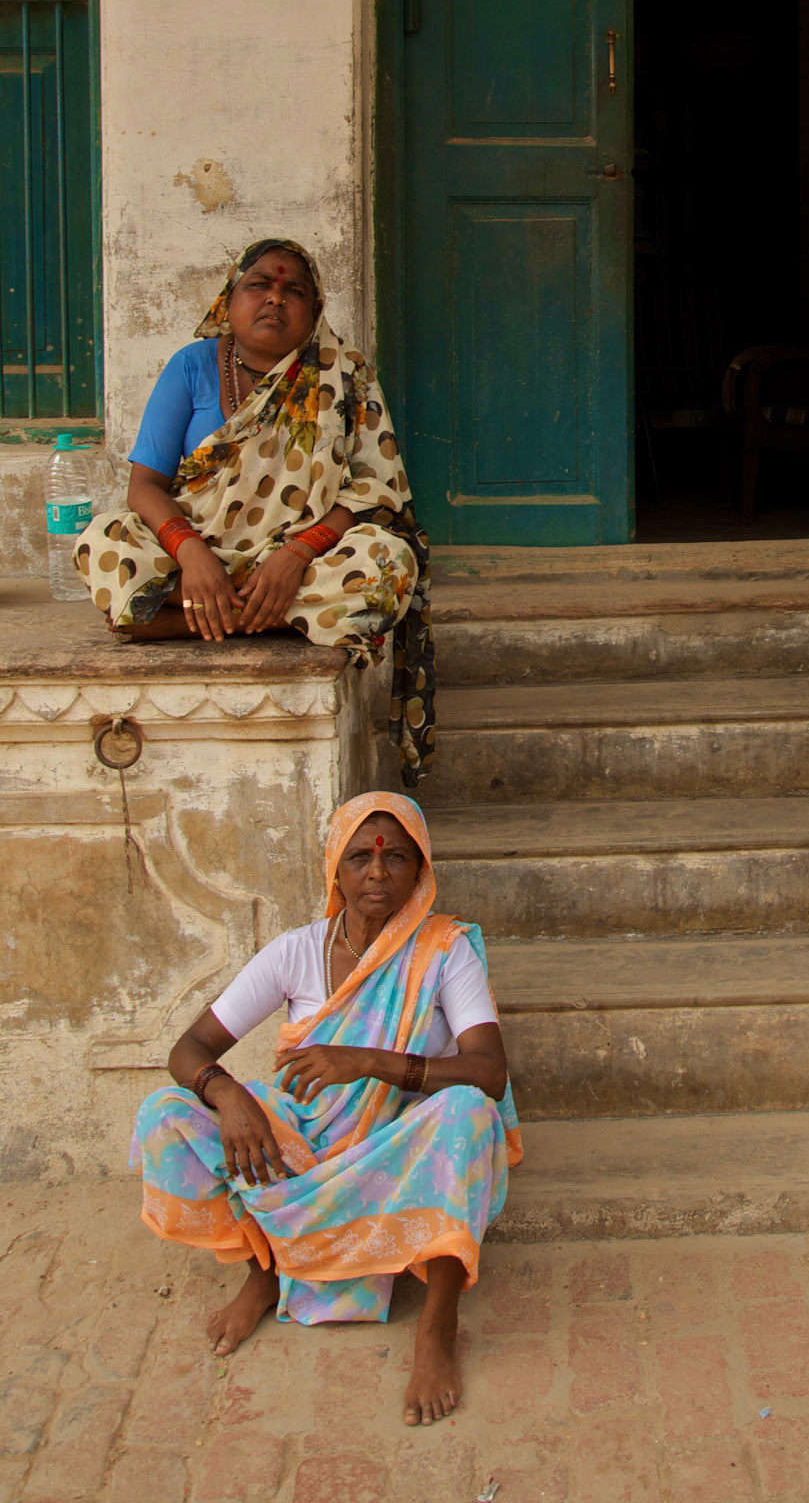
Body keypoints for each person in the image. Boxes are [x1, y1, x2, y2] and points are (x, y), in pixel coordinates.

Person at [130, 792, 520, 1425]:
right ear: (335, 869)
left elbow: (489, 1073)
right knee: (165, 1114)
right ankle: (266, 1269)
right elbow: (190, 1049)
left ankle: (437, 1327)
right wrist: (229, 1096)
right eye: (360, 857)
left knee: (468, 1115)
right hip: (302, 1144)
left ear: (420, 871)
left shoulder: (445, 952)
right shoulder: (295, 952)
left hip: (391, 1151)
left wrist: (368, 1061)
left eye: (396, 857)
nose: (377, 872)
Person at [72, 238, 434, 784]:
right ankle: (265, 618)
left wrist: (297, 554)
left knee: (389, 564)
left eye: (295, 291)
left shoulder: (345, 372)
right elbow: (144, 487)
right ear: (229, 298)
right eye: (259, 284)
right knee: (102, 540)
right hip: (196, 559)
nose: (275, 298)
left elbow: (374, 490)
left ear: (314, 309)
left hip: (298, 564)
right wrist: (192, 554)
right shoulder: (192, 365)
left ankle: (184, 622)